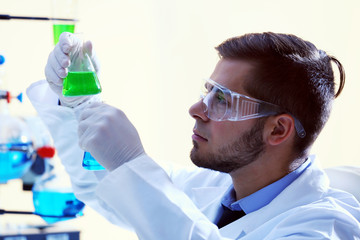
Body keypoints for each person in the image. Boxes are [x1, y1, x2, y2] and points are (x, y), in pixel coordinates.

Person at [27, 32, 360, 239]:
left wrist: (133, 163)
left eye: (222, 100)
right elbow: (101, 187)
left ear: (278, 129)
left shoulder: (324, 228)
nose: (196, 109)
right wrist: (78, 104)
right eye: (207, 91)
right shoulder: (214, 190)